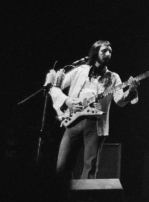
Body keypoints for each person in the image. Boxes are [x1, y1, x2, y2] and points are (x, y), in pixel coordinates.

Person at [45, 40, 139, 180]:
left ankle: (85, 200)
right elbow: (54, 87)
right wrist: (67, 101)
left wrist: (131, 91)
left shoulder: (113, 77)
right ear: (95, 52)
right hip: (72, 122)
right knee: (62, 166)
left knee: (90, 168)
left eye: (110, 52)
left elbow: (119, 101)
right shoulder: (79, 70)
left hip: (95, 124)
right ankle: (64, 198)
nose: (108, 54)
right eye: (104, 51)